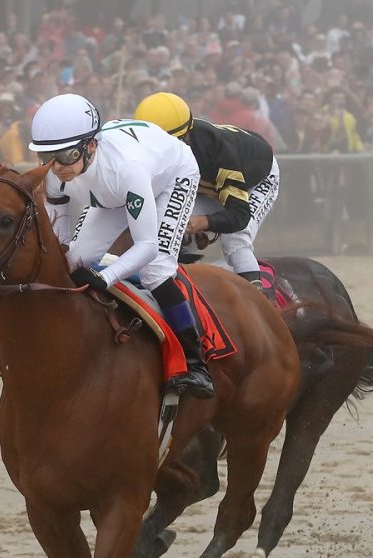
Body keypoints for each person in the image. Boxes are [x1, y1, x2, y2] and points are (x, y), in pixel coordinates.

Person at [28, 93, 214, 399]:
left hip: (170, 177)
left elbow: (147, 246)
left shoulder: (128, 169)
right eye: (48, 157)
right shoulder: (60, 169)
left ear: (90, 146)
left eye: (67, 155)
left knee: (156, 271)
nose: (57, 167)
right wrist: (62, 248)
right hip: (110, 191)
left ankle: (196, 364)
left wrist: (105, 277)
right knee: (75, 259)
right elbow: (58, 206)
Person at [133, 91, 279, 297]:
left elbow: (239, 215)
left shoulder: (220, 155)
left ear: (185, 137)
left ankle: (261, 301)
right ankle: (182, 287)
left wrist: (204, 222)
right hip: (208, 182)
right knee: (171, 223)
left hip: (254, 179)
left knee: (235, 240)